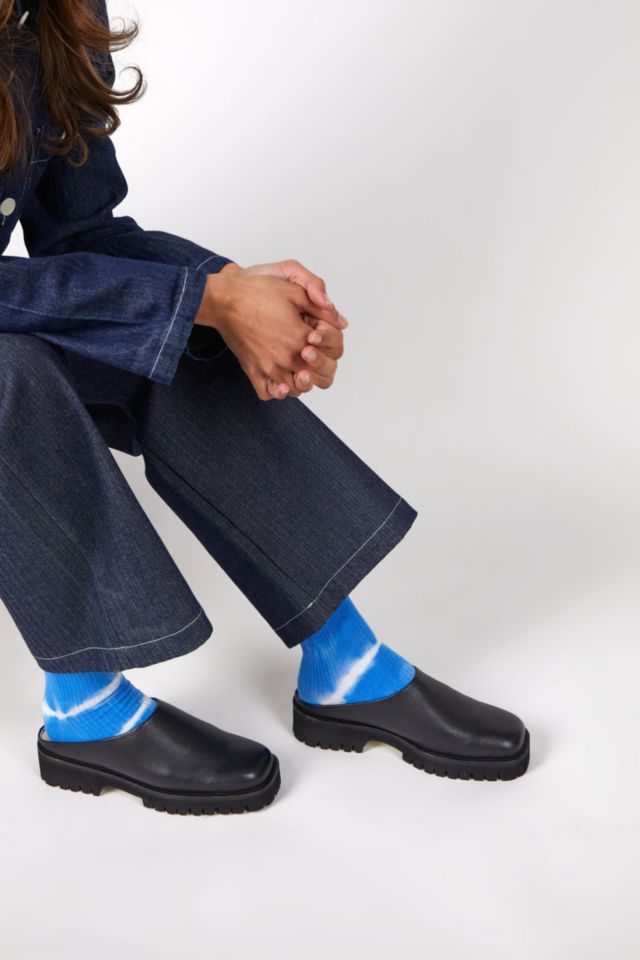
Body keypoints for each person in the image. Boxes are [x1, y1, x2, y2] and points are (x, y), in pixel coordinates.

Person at [0, 0, 529, 816]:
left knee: (178, 335)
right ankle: (85, 711)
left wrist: (242, 297)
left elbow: (81, 235)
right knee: (16, 368)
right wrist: (203, 297)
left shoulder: (59, 11)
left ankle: (346, 669)